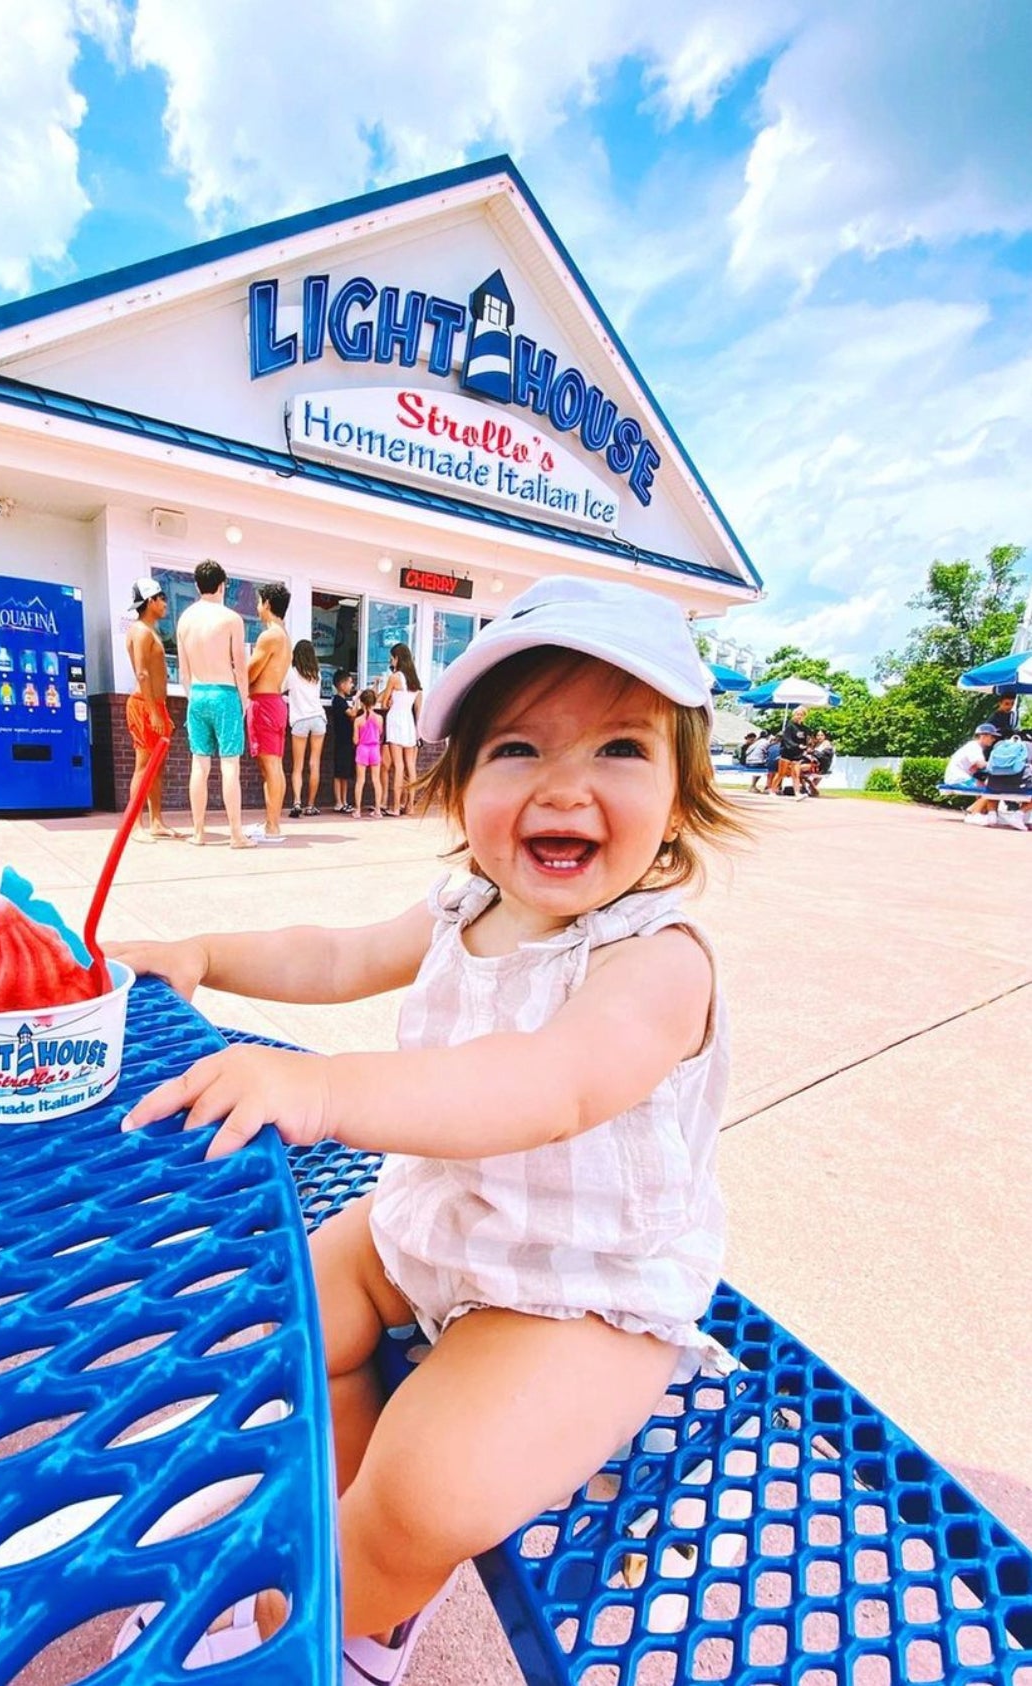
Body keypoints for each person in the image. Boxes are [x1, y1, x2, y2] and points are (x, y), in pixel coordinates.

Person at [111, 574, 745, 1680]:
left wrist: (322, 1090)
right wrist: (205, 955)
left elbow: (547, 1084)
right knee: (280, 1330)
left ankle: (332, 1620)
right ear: (455, 787)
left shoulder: (657, 962)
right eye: (517, 750)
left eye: (621, 750)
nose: (565, 786)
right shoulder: (466, 908)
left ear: (684, 798)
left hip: (579, 1285)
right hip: (441, 1218)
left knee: (429, 1494)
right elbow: (335, 954)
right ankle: (335, 1507)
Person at [176, 559, 252, 849]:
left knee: (200, 763)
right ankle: (235, 834)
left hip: (197, 693)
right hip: (225, 693)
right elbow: (239, 666)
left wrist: (192, 695)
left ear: (197, 586)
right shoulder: (231, 619)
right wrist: (243, 700)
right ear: (223, 585)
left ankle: (198, 833)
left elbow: (183, 670)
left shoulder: (185, 619)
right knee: (230, 764)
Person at [123, 575, 181, 840]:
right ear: (150, 601)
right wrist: (154, 711)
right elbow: (142, 673)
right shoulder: (140, 631)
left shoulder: (149, 631)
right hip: (145, 706)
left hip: (156, 705)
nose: (165, 603)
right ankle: (136, 826)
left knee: (157, 767)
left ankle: (156, 821)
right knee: (144, 766)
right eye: (162, 598)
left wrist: (159, 709)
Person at [246, 582, 292, 841]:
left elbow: (250, 671)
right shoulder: (283, 634)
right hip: (273, 702)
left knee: (271, 765)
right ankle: (271, 824)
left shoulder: (270, 635)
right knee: (274, 766)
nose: (256, 607)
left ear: (266, 603)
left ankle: (272, 827)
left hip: (265, 703)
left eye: (258, 601)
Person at [379, 643, 423, 815]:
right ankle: (410, 806)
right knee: (410, 766)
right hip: (409, 722)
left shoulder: (395, 677)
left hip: (396, 720)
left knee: (398, 766)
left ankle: (396, 807)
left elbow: (383, 702)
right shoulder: (415, 680)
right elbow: (418, 707)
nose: (391, 660)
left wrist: (389, 702)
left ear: (397, 658)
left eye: (392, 657)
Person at [284, 639, 327, 818]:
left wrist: (289, 701)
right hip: (318, 718)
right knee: (314, 763)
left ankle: (297, 803)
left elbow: (280, 690)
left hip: (300, 720)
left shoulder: (292, 674)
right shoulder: (317, 674)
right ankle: (311, 805)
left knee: (298, 766)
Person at [944, 721, 1008, 826]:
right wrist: (1000, 765)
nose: (993, 739)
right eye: (992, 737)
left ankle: (975, 811)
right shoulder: (974, 747)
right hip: (958, 779)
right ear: (983, 736)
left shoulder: (974, 747)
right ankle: (974, 814)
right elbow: (981, 765)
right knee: (991, 790)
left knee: (986, 786)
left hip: (960, 777)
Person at [351, 688, 385, 818]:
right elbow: (380, 733)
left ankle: (358, 810)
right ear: (375, 703)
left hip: (362, 750)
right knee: (376, 780)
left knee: (360, 781)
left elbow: (355, 740)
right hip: (375, 749)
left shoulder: (358, 720)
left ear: (362, 703)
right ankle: (377, 810)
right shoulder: (379, 718)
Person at [329, 670, 358, 813]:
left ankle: (344, 800)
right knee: (339, 772)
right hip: (341, 741)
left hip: (346, 741)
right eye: (350, 682)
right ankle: (338, 801)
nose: (351, 685)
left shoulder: (343, 701)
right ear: (341, 685)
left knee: (345, 773)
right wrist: (357, 700)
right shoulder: (338, 701)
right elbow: (352, 713)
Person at [771, 706, 810, 799]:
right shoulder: (790, 726)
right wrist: (797, 746)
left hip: (797, 754)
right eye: (798, 714)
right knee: (781, 773)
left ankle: (797, 793)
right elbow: (787, 739)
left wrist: (804, 747)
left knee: (796, 774)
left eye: (801, 715)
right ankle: (772, 791)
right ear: (794, 715)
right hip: (787, 752)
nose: (799, 716)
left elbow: (804, 740)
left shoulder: (804, 728)